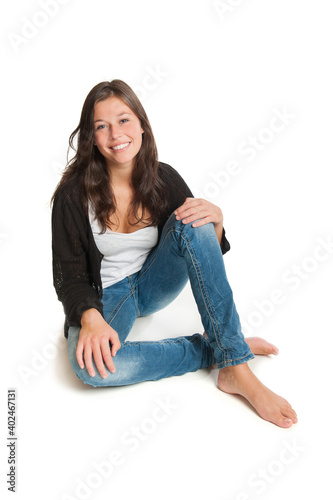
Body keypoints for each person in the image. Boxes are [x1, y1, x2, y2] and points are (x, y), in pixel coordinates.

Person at [51, 79, 297, 428]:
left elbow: (200, 246)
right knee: (92, 369)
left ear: (141, 124)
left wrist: (218, 223)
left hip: (154, 284)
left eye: (123, 120)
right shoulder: (72, 195)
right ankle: (217, 351)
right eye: (101, 126)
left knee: (194, 217)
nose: (115, 134)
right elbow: (70, 275)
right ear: (91, 137)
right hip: (108, 296)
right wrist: (90, 318)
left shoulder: (164, 178)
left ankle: (235, 368)